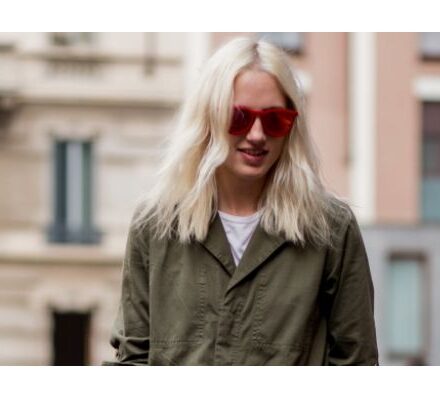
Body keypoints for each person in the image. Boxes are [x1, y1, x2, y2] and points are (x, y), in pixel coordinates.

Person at [105, 37, 379, 366]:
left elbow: (357, 361)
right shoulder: (156, 224)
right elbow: (132, 358)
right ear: (209, 118)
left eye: (275, 119)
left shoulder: (330, 230)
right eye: (239, 117)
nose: (258, 135)